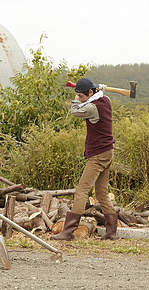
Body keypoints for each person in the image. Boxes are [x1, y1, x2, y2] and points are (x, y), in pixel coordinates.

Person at [50, 78, 118, 241]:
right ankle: (112, 232)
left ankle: (68, 231)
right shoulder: (105, 99)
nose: (79, 99)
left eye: (81, 95)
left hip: (98, 154)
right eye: (77, 96)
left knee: (81, 190)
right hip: (107, 151)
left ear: (90, 93)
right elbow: (93, 97)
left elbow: (75, 111)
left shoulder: (93, 108)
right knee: (101, 193)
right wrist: (88, 91)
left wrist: (75, 99)